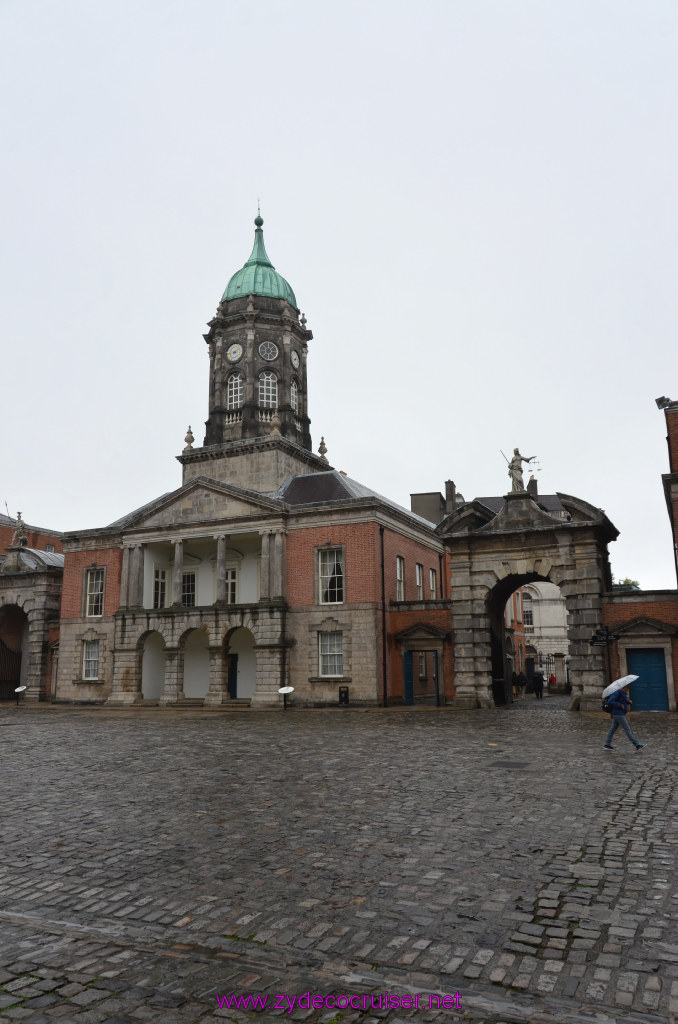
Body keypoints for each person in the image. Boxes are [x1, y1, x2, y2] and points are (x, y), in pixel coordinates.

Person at [604, 685, 645, 750]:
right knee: (627, 729)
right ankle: (636, 744)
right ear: (624, 687)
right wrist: (620, 705)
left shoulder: (621, 693)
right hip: (618, 714)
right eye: (627, 688)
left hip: (618, 713)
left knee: (612, 729)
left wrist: (627, 702)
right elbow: (610, 701)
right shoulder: (617, 692)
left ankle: (607, 744)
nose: (628, 689)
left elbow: (621, 701)